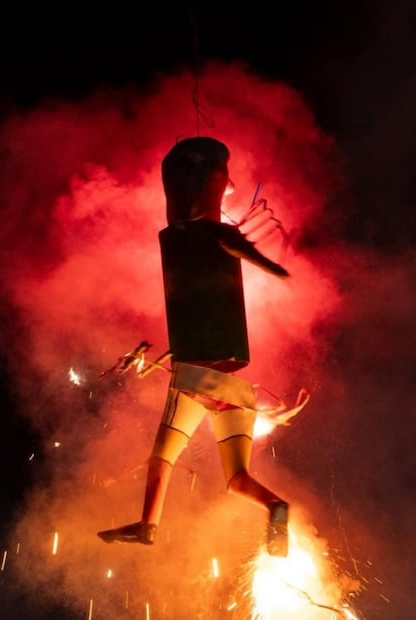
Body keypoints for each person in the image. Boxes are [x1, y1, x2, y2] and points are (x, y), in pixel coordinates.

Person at [97, 136, 293, 557]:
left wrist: (267, 263)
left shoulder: (181, 235)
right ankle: (276, 506)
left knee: (162, 458)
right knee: (236, 478)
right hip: (233, 387)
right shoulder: (216, 234)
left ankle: (148, 525)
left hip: (194, 379)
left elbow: (222, 238)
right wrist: (271, 266)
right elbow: (236, 247)